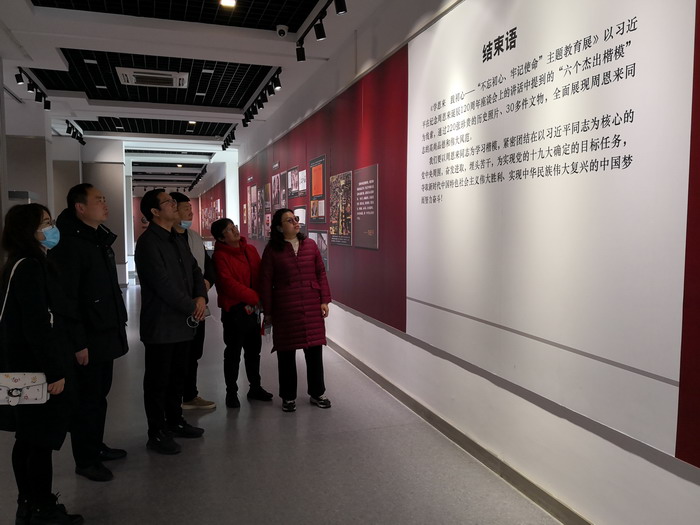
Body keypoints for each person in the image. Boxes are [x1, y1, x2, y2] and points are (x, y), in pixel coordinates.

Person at [0, 203, 83, 524]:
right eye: (45, 223)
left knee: (27, 437)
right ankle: (41, 508)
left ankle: (28, 504)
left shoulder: (17, 263)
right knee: (39, 441)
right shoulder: (30, 267)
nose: (51, 228)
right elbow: (36, 325)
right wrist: (54, 372)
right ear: (27, 230)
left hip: (19, 366)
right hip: (33, 369)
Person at [49, 183, 128, 482]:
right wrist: (78, 342)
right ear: (80, 207)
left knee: (99, 395)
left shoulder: (96, 239)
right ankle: (85, 459)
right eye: (98, 200)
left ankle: (95, 446)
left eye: (104, 199)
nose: (105, 204)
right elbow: (67, 300)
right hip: (88, 337)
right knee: (87, 400)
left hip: (103, 330)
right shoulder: (70, 245)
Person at [135, 189, 208, 455]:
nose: (174, 204)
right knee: (158, 382)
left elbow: (195, 270)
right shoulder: (148, 243)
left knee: (178, 376)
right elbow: (161, 284)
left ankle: (175, 421)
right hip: (161, 325)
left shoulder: (177, 238)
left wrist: (200, 296)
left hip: (183, 323)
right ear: (155, 212)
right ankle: (156, 432)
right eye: (168, 202)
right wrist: (193, 305)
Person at [259, 208, 332, 412]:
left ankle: (317, 393)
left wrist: (324, 300)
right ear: (279, 227)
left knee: (314, 352)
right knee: (286, 354)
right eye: (289, 220)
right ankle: (288, 396)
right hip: (285, 307)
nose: (295, 222)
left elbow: (320, 272)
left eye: (295, 219)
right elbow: (266, 281)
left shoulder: (310, 245)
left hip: (311, 305)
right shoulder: (272, 250)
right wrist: (268, 311)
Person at [211, 218, 273, 408]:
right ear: (221, 238)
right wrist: (254, 297)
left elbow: (260, 275)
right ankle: (231, 392)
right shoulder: (219, 256)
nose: (235, 231)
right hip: (234, 310)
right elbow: (227, 284)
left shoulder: (250, 250)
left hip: (253, 309)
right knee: (233, 353)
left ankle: (255, 387)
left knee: (254, 351)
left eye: (234, 227)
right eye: (229, 230)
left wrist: (263, 298)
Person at [170, 192, 216, 411]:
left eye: (191, 208)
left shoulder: (194, 237)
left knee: (194, 353)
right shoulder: (166, 239)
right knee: (178, 356)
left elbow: (207, 267)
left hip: (199, 306)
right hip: (177, 309)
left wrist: (206, 283)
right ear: (173, 209)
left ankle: (189, 395)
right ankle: (174, 400)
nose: (191, 212)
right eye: (185, 208)